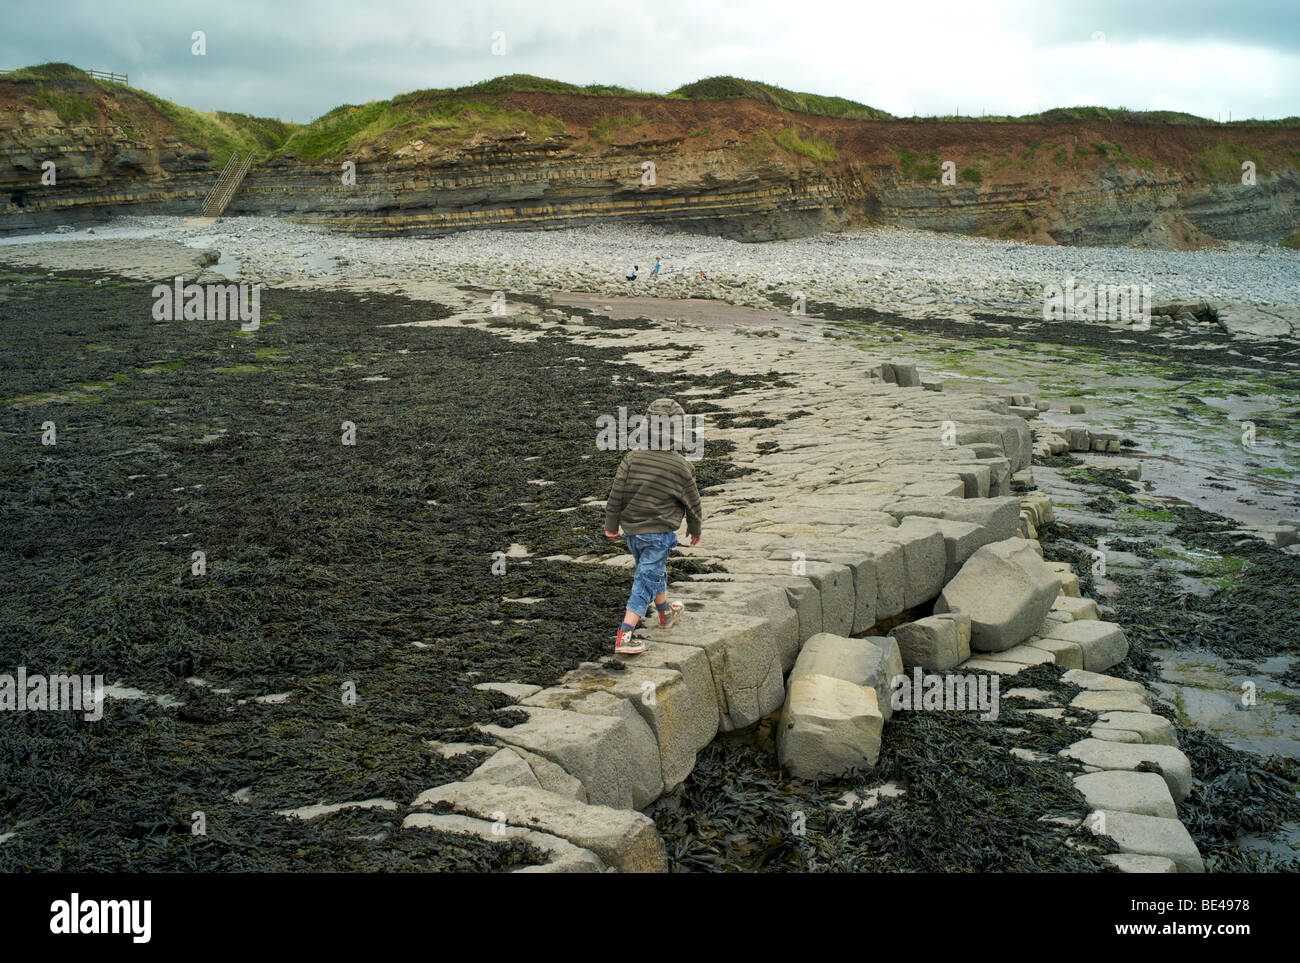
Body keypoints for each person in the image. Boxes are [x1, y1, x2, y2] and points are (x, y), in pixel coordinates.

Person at [603, 398, 703, 655]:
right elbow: (693, 503)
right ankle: (625, 635)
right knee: (644, 581)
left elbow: (616, 495)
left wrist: (611, 525)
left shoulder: (631, 460)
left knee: (652, 571)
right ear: (679, 432)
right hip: (657, 535)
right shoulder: (681, 466)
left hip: (633, 533)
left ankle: (666, 613)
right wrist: (695, 528)